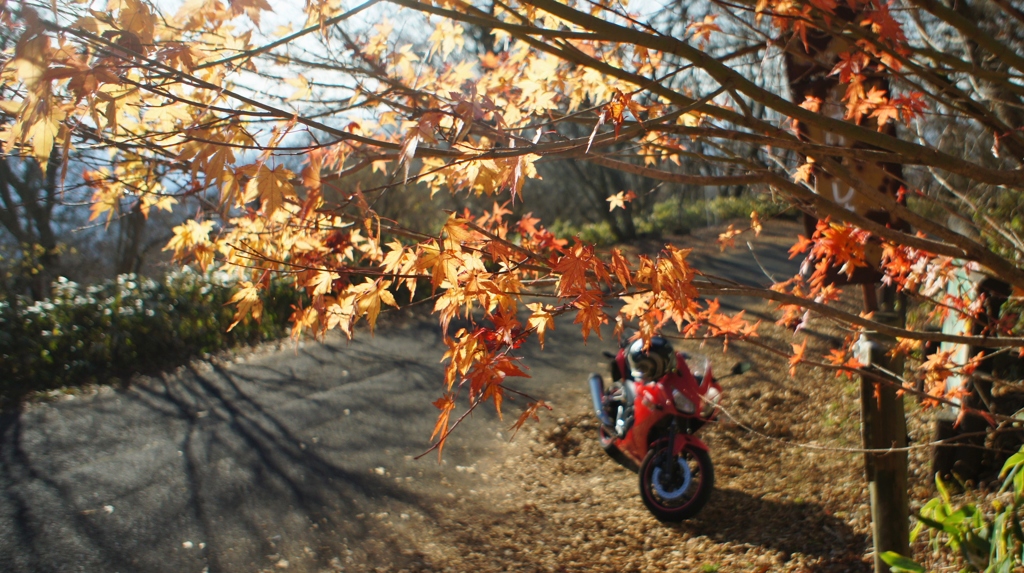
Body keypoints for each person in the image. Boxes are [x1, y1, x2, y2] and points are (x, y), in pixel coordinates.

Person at [613, 336, 676, 437]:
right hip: (639, 385)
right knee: (632, 401)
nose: (647, 369)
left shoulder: (666, 361)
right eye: (643, 367)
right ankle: (623, 422)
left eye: (646, 367)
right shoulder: (640, 378)